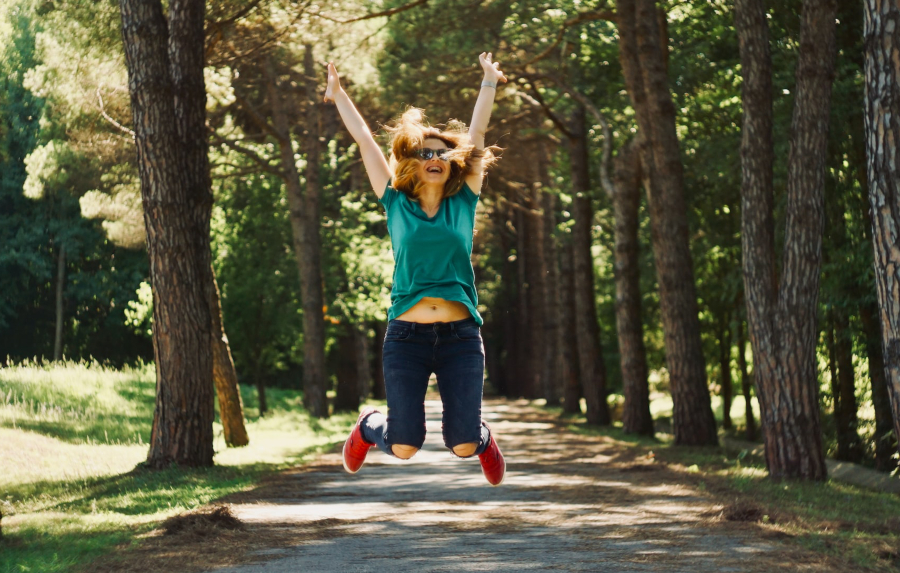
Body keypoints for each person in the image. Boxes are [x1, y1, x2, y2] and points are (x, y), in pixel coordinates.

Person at [324, 52, 507, 486]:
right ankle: (369, 426)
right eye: (426, 152)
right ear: (413, 161)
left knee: (462, 444)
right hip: (407, 336)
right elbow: (366, 141)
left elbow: (477, 132)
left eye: (443, 153)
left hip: (461, 337)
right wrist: (338, 95)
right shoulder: (395, 202)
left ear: (452, 163)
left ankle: (480, 438)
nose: (435, 157)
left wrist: (489, 83)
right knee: (404, 446)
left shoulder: (465, 201)